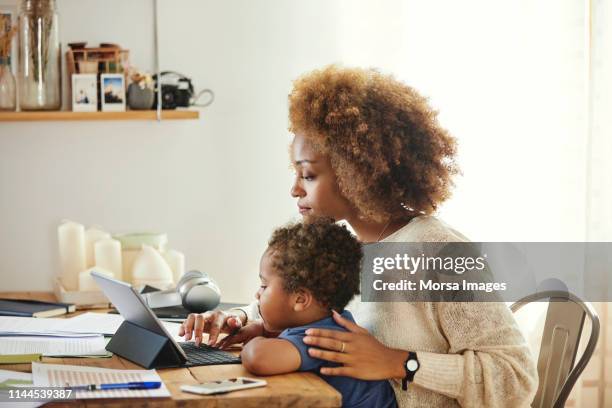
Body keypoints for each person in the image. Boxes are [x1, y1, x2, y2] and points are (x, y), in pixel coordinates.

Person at [179, 65, 538, 407]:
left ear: (358, 172)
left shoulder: (440, 252)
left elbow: (515, 379)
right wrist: (241, 319)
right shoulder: (347, 249)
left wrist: (400, 363)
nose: (294, 190)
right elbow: (307, 307)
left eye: (308, 175)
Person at [239, 219, 397, 408]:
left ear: (300, 299)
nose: (258, 294)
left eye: (264, 286)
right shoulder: (336, 323)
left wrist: (253, 343)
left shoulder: (320, 338)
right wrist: (262, 331)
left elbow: (259, 358)